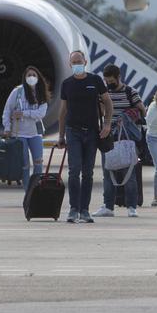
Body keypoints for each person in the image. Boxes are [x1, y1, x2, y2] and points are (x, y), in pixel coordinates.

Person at [56, 51, 112, 224]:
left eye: (79, 61)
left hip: (92, 131)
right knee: (74, 171)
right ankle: (73, 209)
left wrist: (107, 124)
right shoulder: (66, 84)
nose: (77, 64)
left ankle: (84, 210)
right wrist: (61, 135)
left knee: (88, 173)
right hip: (73, 131)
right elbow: (63, 111)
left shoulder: (95, 80)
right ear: (70, 64)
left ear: (85, 62)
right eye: (74, 62)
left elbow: (108, 102)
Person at [96, 64, 145, 218]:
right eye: (106, 81)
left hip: (126, 139)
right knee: (108, 172)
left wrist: (127, 116)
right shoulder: (104, 93)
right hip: (109, 138)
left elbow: (142, 110)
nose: (109, 84)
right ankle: (108, 206)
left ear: (119, 77)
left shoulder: (130, 92)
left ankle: (131, 206)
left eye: (111, 81)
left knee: (129, 173)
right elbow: (101, 112)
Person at [1, 66, 50, 180]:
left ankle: (36, 187)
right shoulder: (17, 92)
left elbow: (40, 113)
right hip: (19, 133)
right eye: (29, 75)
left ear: (38, 78)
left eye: (34, 75)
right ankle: (27, 191)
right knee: (25, 164)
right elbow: (7, 110)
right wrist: (7, 127)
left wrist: (24, 113)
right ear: (24, 77)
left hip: (35, 133)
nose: (31, 77)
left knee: (38, 162)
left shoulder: (41, 92)